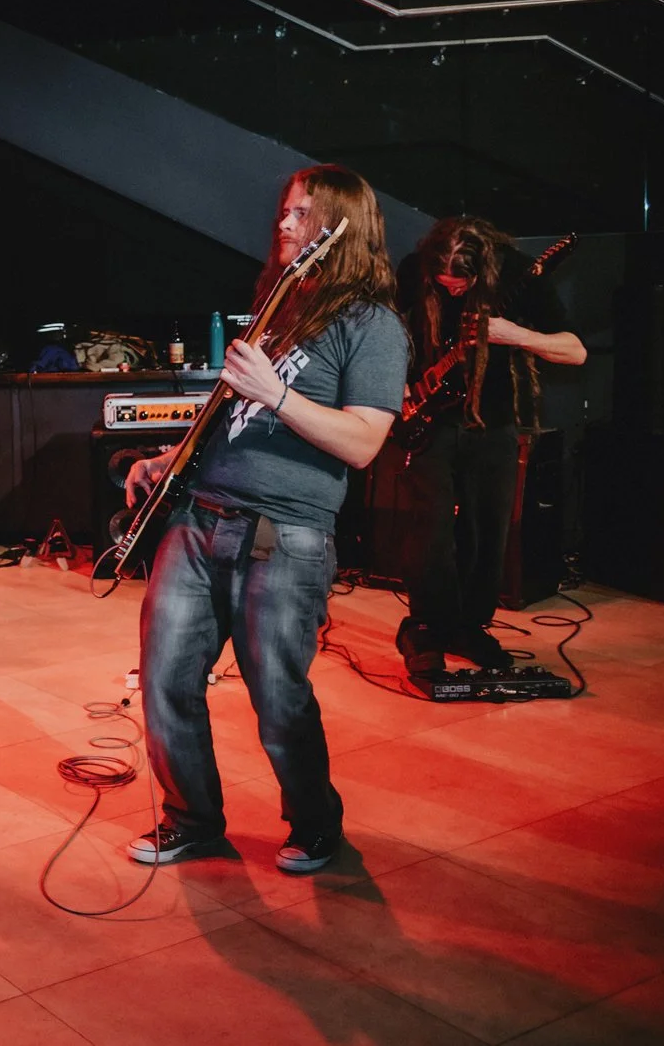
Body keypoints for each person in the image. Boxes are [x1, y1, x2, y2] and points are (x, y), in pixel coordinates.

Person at [123, 165, 408, 874]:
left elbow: (365, 441)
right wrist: (171, 458)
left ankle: (315, 823)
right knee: (163, 678)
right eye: (285, 210)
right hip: (199, 518)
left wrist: (278, 393)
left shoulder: (373, 324)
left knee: (279, 696)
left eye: (303, 213)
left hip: (284, 536)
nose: (284, 223)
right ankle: (192, 817)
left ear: (342, 226)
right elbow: (236, 414)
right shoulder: (283, 303)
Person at [393, 216, 585, 674]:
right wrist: (398, 385)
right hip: (428, 419)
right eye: (444, 284)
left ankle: (470, 625)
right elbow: (388, 330)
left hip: (493, 419)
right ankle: (427, 627)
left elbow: (574, 350)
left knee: (488, 529)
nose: (453, 292)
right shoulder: (412, 269)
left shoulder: (518, 272)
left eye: (462, 284)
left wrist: (511, 334)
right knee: (431, 528)